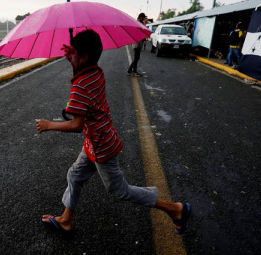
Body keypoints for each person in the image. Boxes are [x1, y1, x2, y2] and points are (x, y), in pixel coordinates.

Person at [36, 29, 191, 236]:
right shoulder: (95, 72)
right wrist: (75, 62)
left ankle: (175, 209)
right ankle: (66, 220)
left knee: (119, 190)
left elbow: (76, 125)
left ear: (84, 57)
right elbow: (83, 83)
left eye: (73, 53)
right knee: (75, 175)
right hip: (96, 139)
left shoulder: (81, 85)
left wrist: (49, 125)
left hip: (101, 146)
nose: (69, 55)